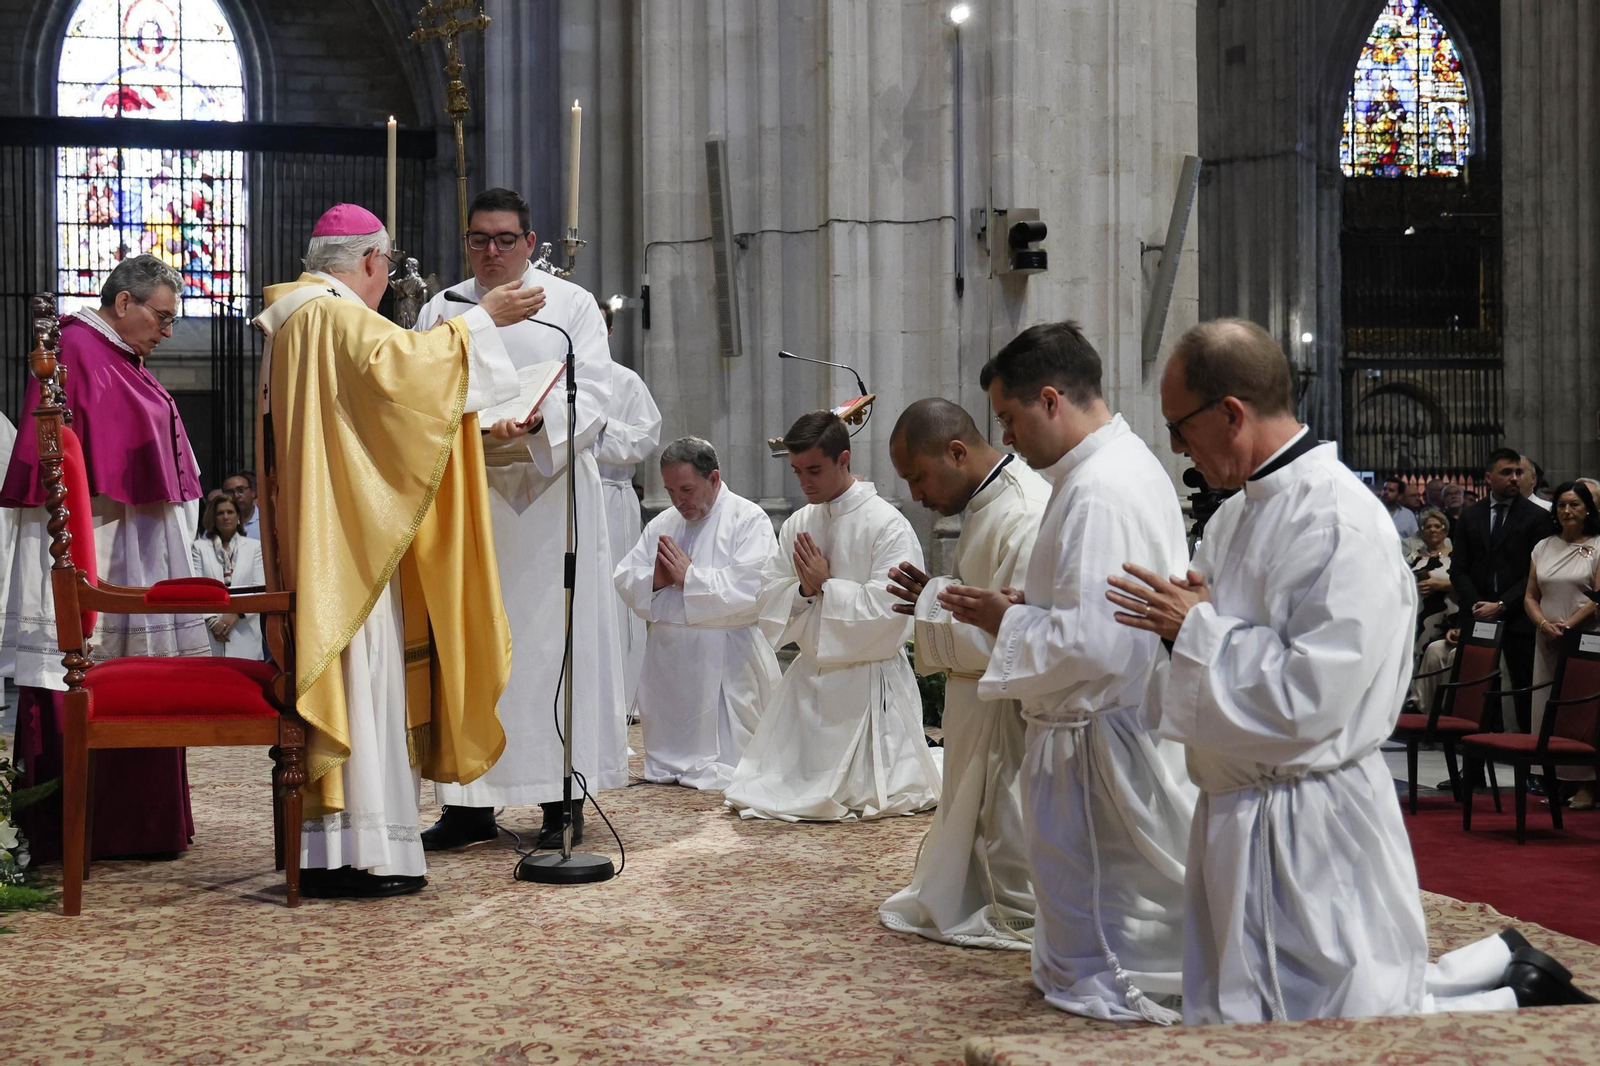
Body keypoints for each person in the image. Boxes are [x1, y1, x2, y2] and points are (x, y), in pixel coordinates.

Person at [1106, 318, 1594, 1023]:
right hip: (1239, 808)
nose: (1177, 446)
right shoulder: (1233, 519)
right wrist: (1177, 632)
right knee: (1251, 1015)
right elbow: (1208, 643)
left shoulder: (1339, 521)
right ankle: (1493, 976)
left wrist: (1198, 629)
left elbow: (1317, 696)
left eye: (1180, 426)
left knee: (1337, 1022)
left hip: (1309, 820)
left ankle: (1507, 994)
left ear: (1231, 414)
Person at [253, 201, 541, 898]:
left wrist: (467, 429)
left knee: (363, 687)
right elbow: (400, 372)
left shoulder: (297, 316)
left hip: (336, 531)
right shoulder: (329, 315)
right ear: (373, 262)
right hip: (347, 550)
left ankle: (339, 849)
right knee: (361, 683)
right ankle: (362, 854)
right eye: (385, 270)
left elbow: (372, 421)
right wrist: (481, 321)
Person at [935, 324, 1195, 1023]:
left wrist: (1005, 620)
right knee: (1096, 909)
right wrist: (1030, 606)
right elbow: (1090, 612)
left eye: (1011, 419)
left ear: (1051, 400)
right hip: (1101, 728)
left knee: (1118, 931)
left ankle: (1122, 987)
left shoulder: (1099, 489)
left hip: (1098, 738)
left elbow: (1096, 645)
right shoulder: (1099, 473)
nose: (1009, 438)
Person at [414, 187, 627, 852]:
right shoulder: (442, 308)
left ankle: (561, 799)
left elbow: (596, 390)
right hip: (472, 504)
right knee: (469, 646)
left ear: (531, 243)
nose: (492, 251)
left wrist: (538, 424)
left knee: (551, 647)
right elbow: (417, 393)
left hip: (550, 501)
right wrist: (479, 421)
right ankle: (467, 802)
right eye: (480, 239)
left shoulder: (570, 305)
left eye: (506, 239)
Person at [2, 255, 210, 864]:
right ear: (124, 304)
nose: (167, 331)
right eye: (163, 317)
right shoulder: (76, 351)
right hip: (99, 544)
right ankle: (92, 827)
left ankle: (139, 824)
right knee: (89, 675)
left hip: (125, 543)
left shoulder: (115, 356)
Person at [878, 398, 1049, 951]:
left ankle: (1018, 912)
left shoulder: (1024, 512)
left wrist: (931, 604)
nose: (916, 496)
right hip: (976, 703)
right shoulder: (986, 506)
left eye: (918, 477)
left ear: (956, 451)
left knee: (1006, 822)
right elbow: (984, 606)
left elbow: (1019, 637)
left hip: (1008, 710)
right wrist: (934, 593)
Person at [723, 411, 940, 821]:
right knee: (766, 791)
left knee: (876, 793)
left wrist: (827, 586)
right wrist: (804, 590)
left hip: (869, 678)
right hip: (809, 682)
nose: (804, 482)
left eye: (815, 470)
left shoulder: (887, 524)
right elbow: (769, 594)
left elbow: (893, 610)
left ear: (844, 459)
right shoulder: (800, 523)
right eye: (796, 471)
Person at [613, 437, 779, 788]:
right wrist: (657, 579)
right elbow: (626, 577)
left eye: (686, 489)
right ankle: (669, 763)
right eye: (671, 490)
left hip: (727, 654)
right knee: (671, 750)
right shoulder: (663, 524)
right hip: (670, 656)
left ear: (714, 479)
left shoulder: (748, 519)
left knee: (728, 762)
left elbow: (753, 589)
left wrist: (691, 578)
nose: (678, 501)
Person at [1450, 450, 1549, 734]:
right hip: (1478, 613)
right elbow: (1458, 569)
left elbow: (1535, 572)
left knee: (1523, 689)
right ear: (1488, 477)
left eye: (1518, 472)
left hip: (1518, 614)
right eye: (1506, 473)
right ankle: (1473, 767)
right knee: (1476, 689)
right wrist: (1477, 605)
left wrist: (1502, 604)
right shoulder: (1471, 516)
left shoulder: (1536, 517)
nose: (1514, 478)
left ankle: (1529, 769)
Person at [594, 319, 662, 722]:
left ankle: (621, 696)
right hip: (560, 494)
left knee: (616, 592)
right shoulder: (556, 374)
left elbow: (644, 438)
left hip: (610, 494)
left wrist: (599, 427)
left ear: (607, 333)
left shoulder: (626, 381)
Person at [1524, 481, 1600, 810]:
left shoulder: (1598, 546)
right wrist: (1543, 624)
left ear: (1588, 510)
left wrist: (1568, 626)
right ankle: (1559, 779)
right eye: (1561, 505)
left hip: (1584, 639)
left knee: (1579, 711)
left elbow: (1598, 597)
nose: (1567, 511)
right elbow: (1530, 595)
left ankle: (1587, 783)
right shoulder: (1542, 547)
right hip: (1546, 639)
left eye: (1574, 505)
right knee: (1547, 709)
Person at [190, 495, 264, 658]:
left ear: (238, 517)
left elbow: (259, 589)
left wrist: (235, 615)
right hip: (211, 631)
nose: (225, 517)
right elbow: (197, 589)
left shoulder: (254, 547)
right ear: (213, 518)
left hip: (245, 630)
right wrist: (212, 621)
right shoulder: (199, 548)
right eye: (220, 513)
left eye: (230, 512)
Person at [1408, 507, 1456, 656]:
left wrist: (1439, 585)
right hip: (1418, 615)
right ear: (1421, 533)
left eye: (1437, 526)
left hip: (1448, 614)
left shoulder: (1456, 556)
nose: (1432, 530)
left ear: (1445, 531)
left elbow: (1468, 583)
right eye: (1427, 527)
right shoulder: (1413, 558)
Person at [1380, 475, 1419, 540]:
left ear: (1399, 496)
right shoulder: (1373, 512)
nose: (1386, 493)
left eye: (1391, 490)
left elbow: (1415, 540)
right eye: (1384, 489)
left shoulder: (1407, 515)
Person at [223, 472, 259, 539]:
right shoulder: (217, 523)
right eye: (230, 492)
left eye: (240, 490)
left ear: (253, 493)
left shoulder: (267, 521)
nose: (236, 496)